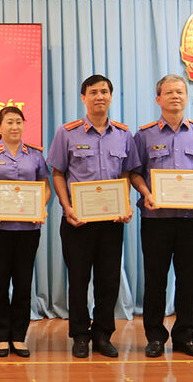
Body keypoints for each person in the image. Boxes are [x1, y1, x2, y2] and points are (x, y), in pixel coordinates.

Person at [46, 74, 140, 358]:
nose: (99, 96)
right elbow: (58, 173)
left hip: (111, 222)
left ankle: (102, 334)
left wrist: (125, 204)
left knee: (108, 280)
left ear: (111, 96)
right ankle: (79, 334)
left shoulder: (123, 134)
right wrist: (67, 207)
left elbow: (126, 173)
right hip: (78, 221)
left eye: (104, 91)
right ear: (83, 98)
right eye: (93, 92)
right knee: (78, 280)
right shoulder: (67, 133)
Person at [130, 74, 193, 358]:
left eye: (180, 92)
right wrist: (147, 193)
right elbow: (134, 174)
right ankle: (155, 337)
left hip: (191, 219)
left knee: (189, 279)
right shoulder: (144, 135)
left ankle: (185, 337)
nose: (175, 96)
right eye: (169, 92)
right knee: (155, 279)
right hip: (156, 220)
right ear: (158, 98)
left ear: (186, 96)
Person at [0, 106, 51, 358]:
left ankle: (19, 336)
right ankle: (1, 337)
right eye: (9, 122)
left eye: (18, 122)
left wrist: (41, 207)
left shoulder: (35, 154)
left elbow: (45, 187)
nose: (14, 127)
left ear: (23, 125)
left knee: (23, 282)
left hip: (28, 228)